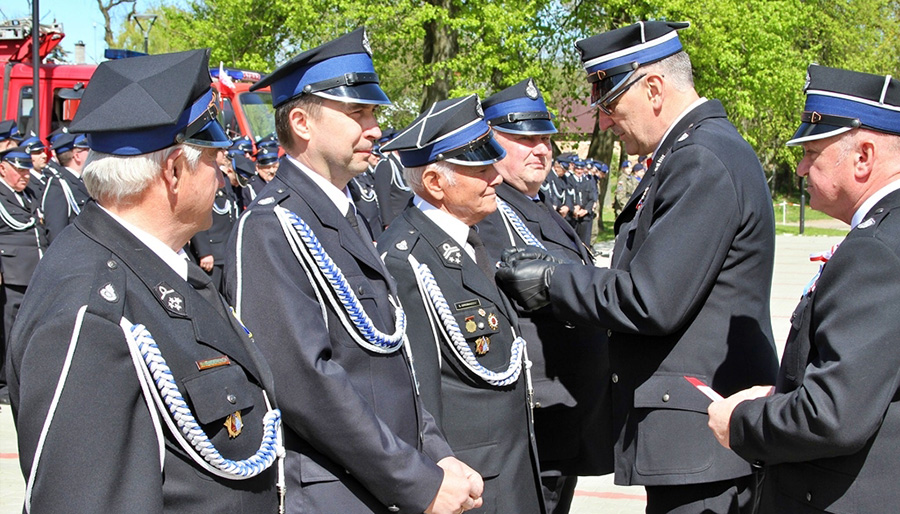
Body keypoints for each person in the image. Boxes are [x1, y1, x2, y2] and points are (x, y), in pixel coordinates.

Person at [495, 21, 779, 513]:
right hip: (693, 432)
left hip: (702, 432)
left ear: (652, 88)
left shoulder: (702, 160)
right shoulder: (693, 153)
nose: (604, 124)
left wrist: (550, 279)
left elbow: (651, 299)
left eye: (610, 106)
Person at [6, 49, 284, 513]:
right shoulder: (93, 310)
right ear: (175, 171)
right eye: (213, 159)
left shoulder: (155, 263)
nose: (221, 175)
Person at [223, 28, 484, 514]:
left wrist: (436, 456)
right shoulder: (269, 227)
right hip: (337, 492)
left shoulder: (347, 214)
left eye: (375, 113)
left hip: (384, 483)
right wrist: (415, 480)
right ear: (301, 122)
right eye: (358, 113)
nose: (376, 129)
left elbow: (391, 363)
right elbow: (308, 385)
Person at [707, 65, 900, 514]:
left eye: (812, 153)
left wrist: (741, 423)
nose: (800, 168)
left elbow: (832, 415)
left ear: (864, 156)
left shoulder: (875, 251)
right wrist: (782, 397)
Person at [377, 94, 544, 514]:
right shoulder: (406, 259)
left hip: (509, 471)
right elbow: (419, 395)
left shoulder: (468, 238)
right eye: (482, 169)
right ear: (436, 183)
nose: (497, 179)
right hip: (469, 484)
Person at [477, 78, 613, 514]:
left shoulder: (534, 205)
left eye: (545, 138)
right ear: (490, 143)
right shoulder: (488, 212)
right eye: (524, 139)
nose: (541, 149)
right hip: (534, 416)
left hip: (564, 418)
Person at [0, 146, 48, 406]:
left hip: (33, 269)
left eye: (26, 170)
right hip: (12, 271)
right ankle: (6, 383)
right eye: (18, 170)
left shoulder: (30, 194)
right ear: (2, 168)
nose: (24, 176)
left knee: (28, 328)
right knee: (8, 330)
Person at [188, 148, 240, 292]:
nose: (225, 153)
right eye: (220, 150)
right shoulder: (200, 176)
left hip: (226, 248)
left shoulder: (223, 177)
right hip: (212, 253)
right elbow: (197, 214)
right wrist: (204, 251)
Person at [42, 132, 92, 243]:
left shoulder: (82, 181)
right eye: (87, 150)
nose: (90, 154)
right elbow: (56, 232)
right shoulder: (59, 185)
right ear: (77, 156)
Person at [373, 129, 413, 228]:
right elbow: (383, 195)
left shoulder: (406, 163)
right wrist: (387, 223)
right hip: (396, 218)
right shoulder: (386, 164)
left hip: (409, 216)